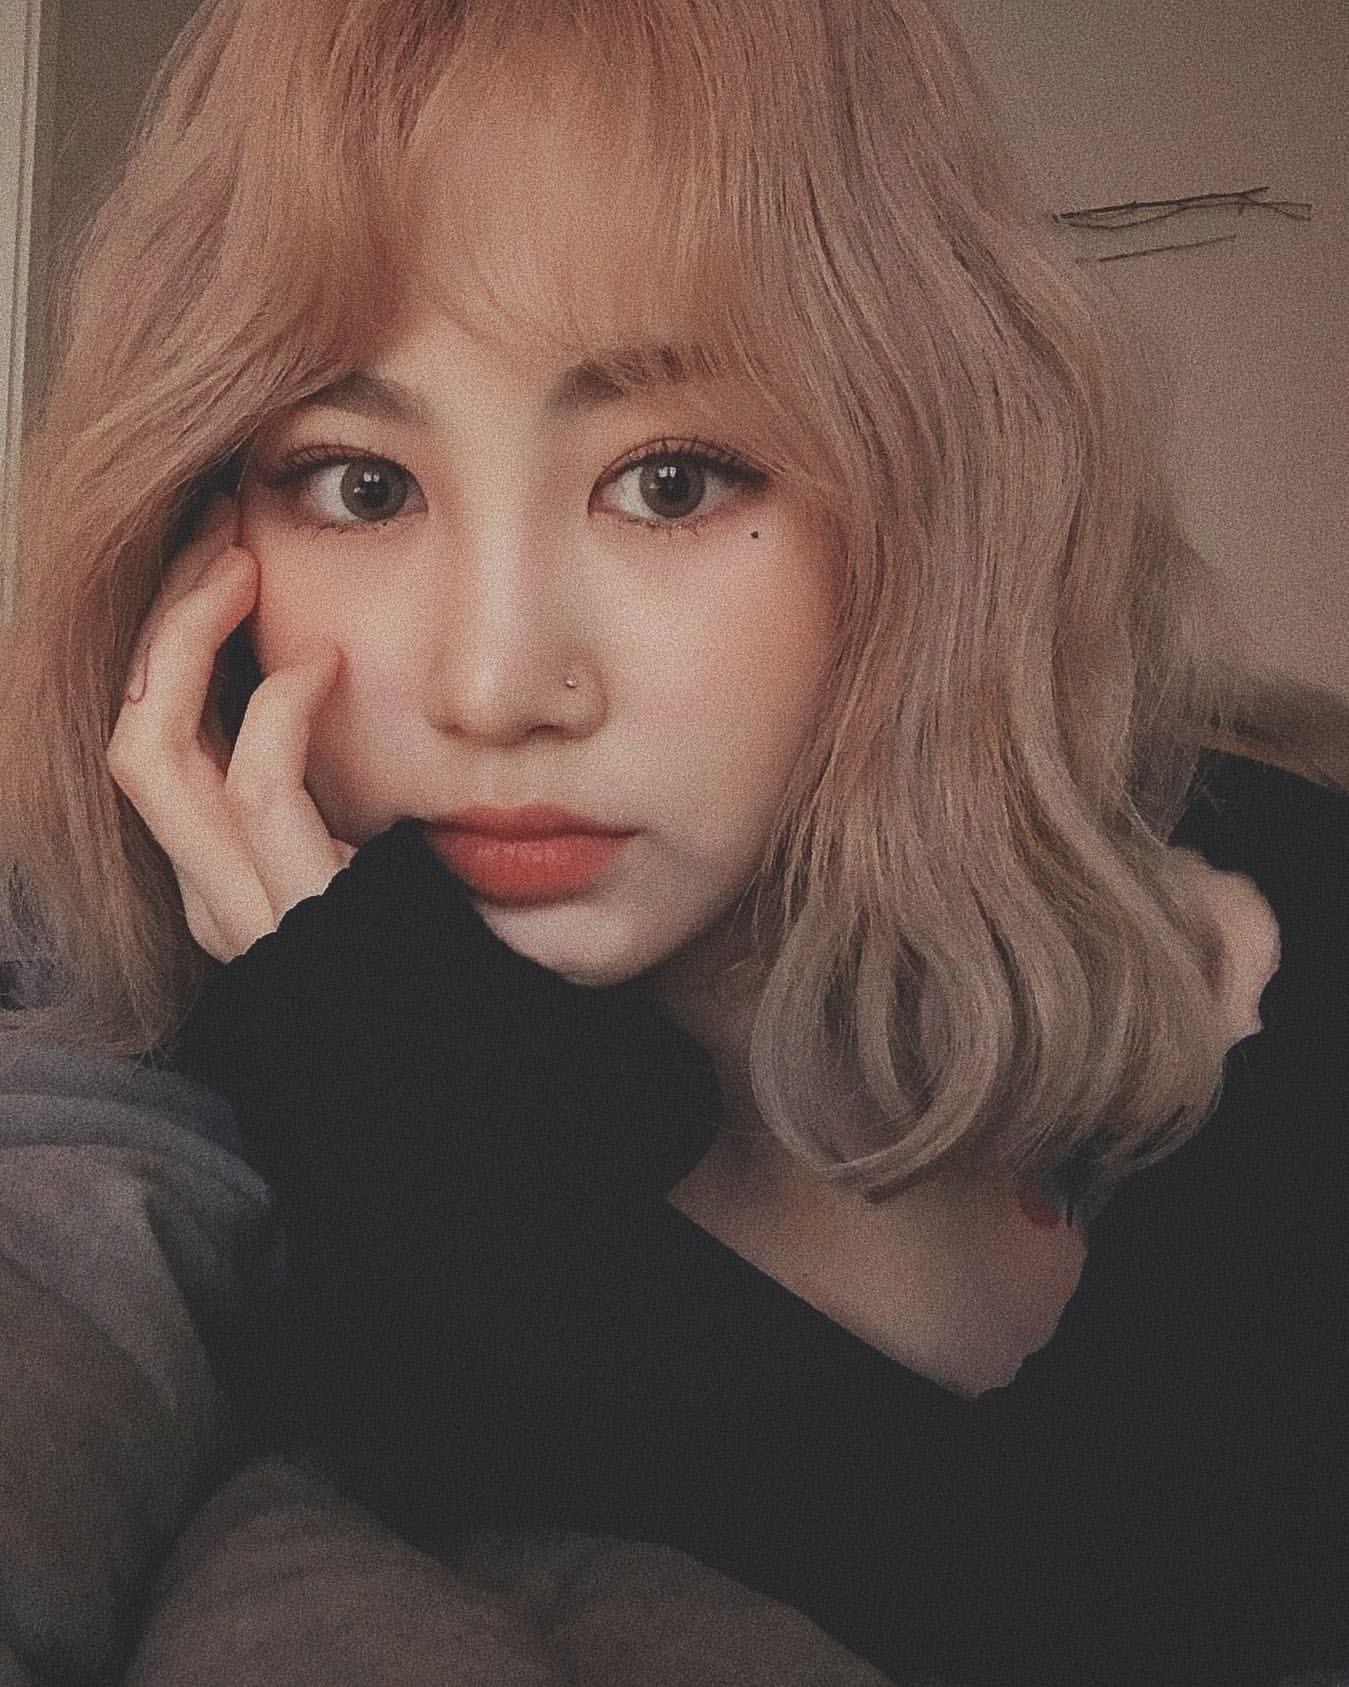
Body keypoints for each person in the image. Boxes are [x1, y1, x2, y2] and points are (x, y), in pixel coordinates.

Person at [0, 0, 1345, 1682]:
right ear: (195, 550)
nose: (497, 686)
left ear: (928, 496)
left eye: (671, 481)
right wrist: (398, 1081)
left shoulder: (1287, 919)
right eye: (357, 485)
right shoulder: (222, 1087)